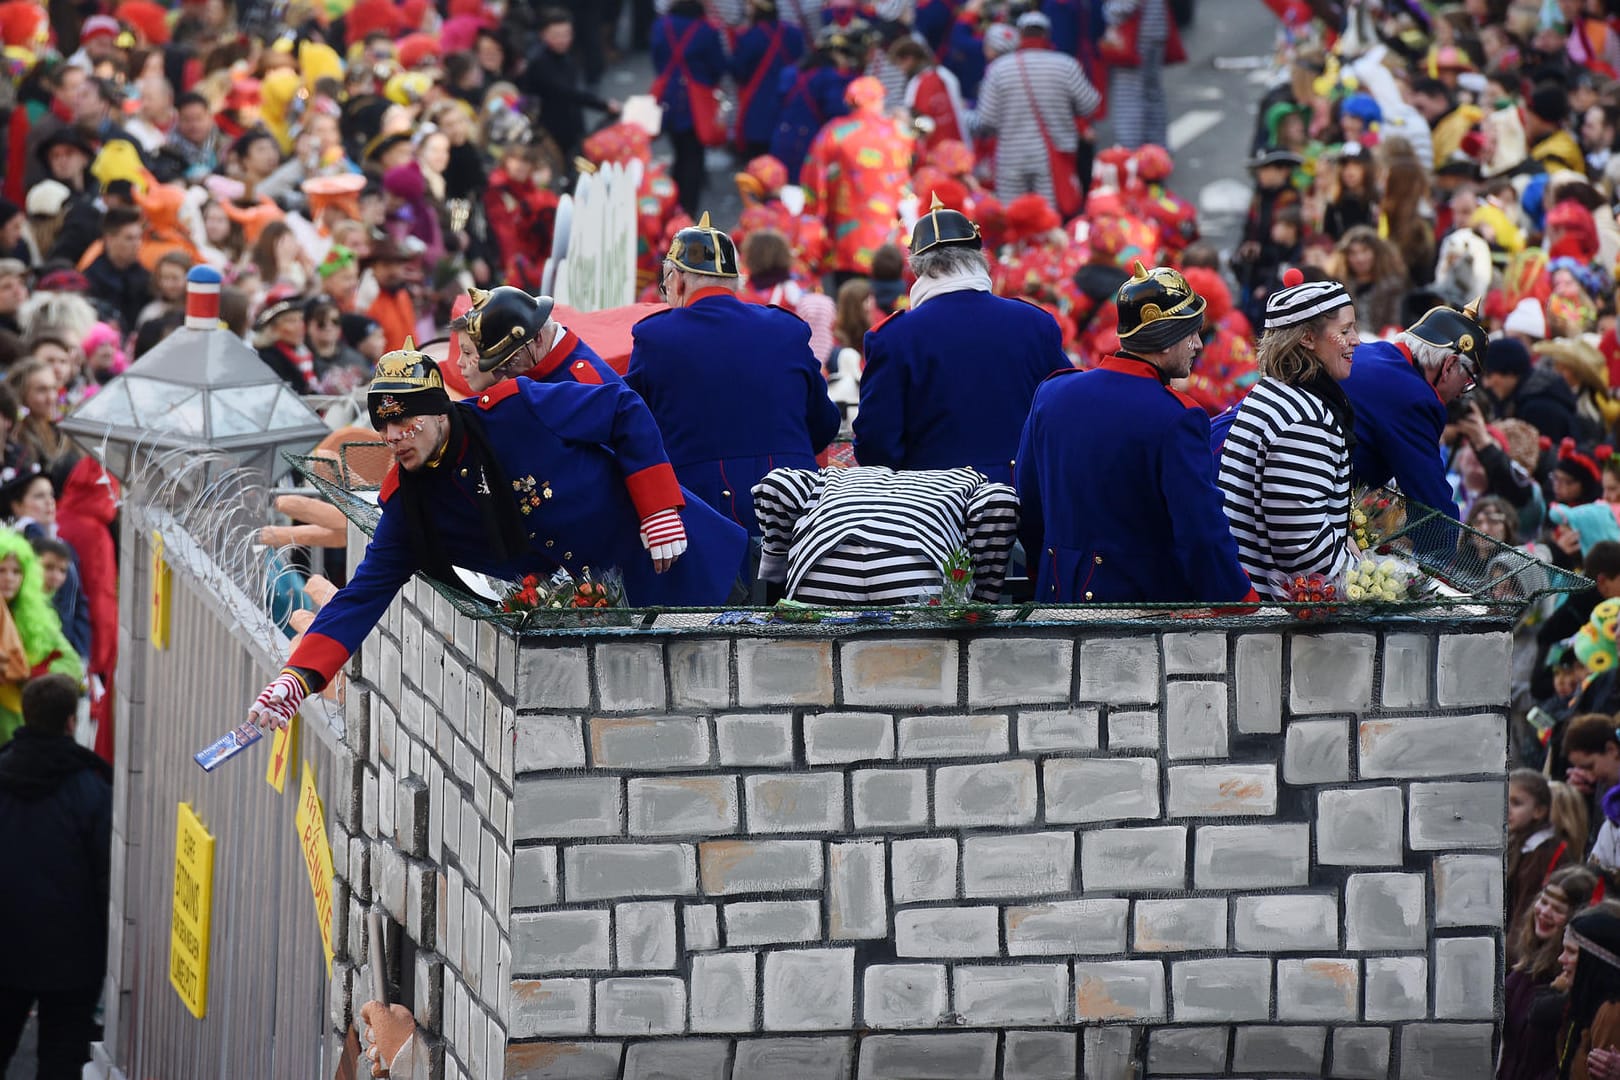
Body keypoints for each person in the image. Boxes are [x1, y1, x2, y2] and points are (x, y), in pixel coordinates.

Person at [246, 349, 747, 728]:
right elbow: (362, 595)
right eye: (383, 425)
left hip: (688, 558)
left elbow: (621, 407)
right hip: (624, 621)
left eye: (406, 420)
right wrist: (300, 676)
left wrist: (659, 507)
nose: (394, 436)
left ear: (440, 411)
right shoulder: (409, 508)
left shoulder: (517, 410)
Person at [1017, 262, 1258, 604]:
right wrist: (1239, 599)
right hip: (1141, 612)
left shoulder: (1052, 393)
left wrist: (1042, 575)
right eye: (1190, 333)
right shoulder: (1178, 417)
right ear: (1163, 341)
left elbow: (1029, 504)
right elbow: (1201, 534)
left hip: (1056, 597)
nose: (1197, 345)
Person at [626, 215, 838, 538]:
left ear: (678, 280)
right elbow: (824, 424)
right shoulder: (786, 328)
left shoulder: (656, 337)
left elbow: (635, 428)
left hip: (703, 516)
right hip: (795, 510)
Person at [855, 198, 1067, 485]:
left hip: (932, 507)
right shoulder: (1034, 323)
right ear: (978, 257)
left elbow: (877, 445)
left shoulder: (893, 338)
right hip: (1020, 494)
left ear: (917, 268)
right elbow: (1061, 414)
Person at [1217, 274, 1360, 599]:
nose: (1356, 340)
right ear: (1308, 338)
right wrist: (1364, 576)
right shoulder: (1303, 420)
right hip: (1275, 624)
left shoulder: (1276, 393)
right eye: (1345, 330)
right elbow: (1303, 550)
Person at [0, 674, 108, 1080]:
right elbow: (104, 880)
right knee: (62, 1062)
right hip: (71, 958)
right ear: (69, 721)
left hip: (5, 947)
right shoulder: (92, 789)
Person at [1341, 298, 1489, 523]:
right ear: (1449, 366)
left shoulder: (1371, 351)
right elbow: (1432, 504)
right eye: (1468, 378)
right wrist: (1445, 551)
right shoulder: (1416, 399)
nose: (1462, 393)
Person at [973, 12, 1100, 212]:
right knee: (1048, 219)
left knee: (1013, 216)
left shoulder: (999, 69)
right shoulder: (1066, 65)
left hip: (1010, 156)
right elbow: (1090, 105)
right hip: (1053, 157)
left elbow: (987, 119)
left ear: (1020, 35)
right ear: (1047, 34)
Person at [800, 76, 914, 284]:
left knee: (850, 301)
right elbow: (912, 179)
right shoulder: (900, 132)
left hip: (847, 238)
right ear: (879, 100)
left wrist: (815, 220)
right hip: (889, 238)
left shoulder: (834, 132)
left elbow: (812, 181)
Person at [1501, 867, 1600, 1080]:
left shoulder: (1568, 982)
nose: (1544, 912)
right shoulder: (1524, 970)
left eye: (1556, 908)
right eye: (1544, 902)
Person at [0, 530, 82, 748]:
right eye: (1, 570)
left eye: (16, 572)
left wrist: (35, 677)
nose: (9, 578)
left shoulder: (36, 616)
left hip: (23, 729)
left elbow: (72, 665)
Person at [451, 286, 620, 389]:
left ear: (537, 338)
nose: (500, 372)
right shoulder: (543, 372)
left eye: (509, 361)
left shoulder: (585, 383)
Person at [731, 0, 807, 161]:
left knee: (758, 163)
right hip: (789, 104)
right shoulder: (794, 34)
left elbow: (738, 71)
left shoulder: (749, 37)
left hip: (757, 107)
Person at [1557, 904, 1620, 1080]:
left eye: (1571, 952)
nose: (1561, 959)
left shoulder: (1611, 1013)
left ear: (1593, 962)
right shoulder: (1589, 1004)